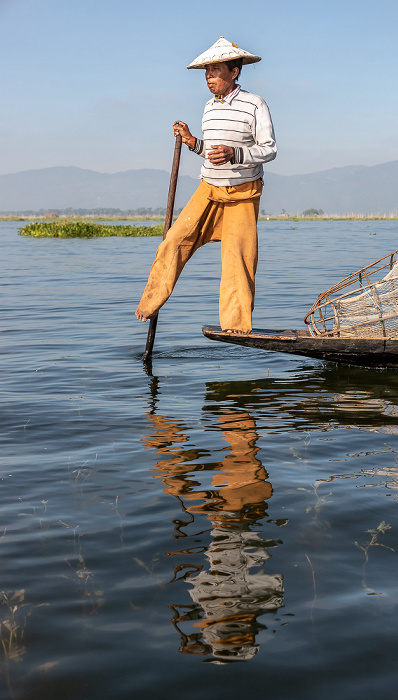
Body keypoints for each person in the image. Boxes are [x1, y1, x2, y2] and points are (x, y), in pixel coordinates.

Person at [135, 36, 277, 335]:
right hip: (209, 189)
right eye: (207, 72)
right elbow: (211, 152)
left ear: (234, 72)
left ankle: (236, 326)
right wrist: (192, 142)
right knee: (174, 241)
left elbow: (269, 149)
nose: (209, 78)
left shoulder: (255, 104)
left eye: (215, 71)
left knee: (238, 259)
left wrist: (235, 153)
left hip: (243, 193)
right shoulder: (208, 108)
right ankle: (151, 301)